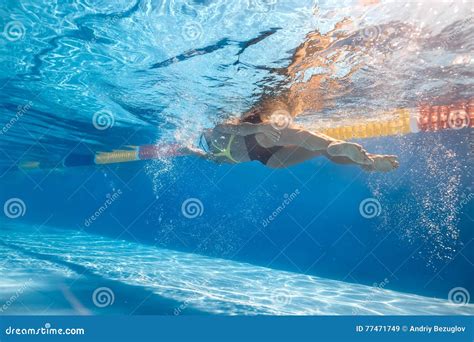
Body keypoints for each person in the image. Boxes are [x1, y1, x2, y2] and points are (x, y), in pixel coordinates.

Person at [189, 22, 399, 172]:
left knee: (319, 150)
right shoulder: (217, 130)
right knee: (306, 138)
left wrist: (187, 149)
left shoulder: (216, 158)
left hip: (270, 160)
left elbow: (201, 153)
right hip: (260, 135)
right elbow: (235, 128)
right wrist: (260, 127)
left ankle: (367, 162)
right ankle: (344, 150)